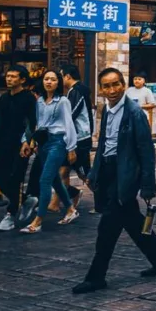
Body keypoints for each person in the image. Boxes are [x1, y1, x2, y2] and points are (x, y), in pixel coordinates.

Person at [72, 68, 156, 294]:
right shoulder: (107, 111)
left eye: (116, 85)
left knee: (107, 227)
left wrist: (148, 185)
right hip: (108, 172)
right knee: (133, 222)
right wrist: (93, 173)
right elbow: (103, 146)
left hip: (125, 175)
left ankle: (96, 276)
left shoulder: (135, 113)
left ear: (123, 84)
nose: (112, 90)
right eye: (106, 86)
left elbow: (146, 151)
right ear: (101, 89)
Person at [20, 70, 79, 233]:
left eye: (53, 79)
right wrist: (32, 141)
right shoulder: (39, 102)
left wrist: (71, 147)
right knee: (54, 180)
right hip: (44, 143)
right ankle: (70, 209)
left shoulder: (63, 101)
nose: (49, 82)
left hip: (58, 143)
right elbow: (37, 124)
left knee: (44, 181)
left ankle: (38, 221)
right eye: (46, 79)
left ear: (58, 83)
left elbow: (69, 124)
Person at [0, 65, 37, 232]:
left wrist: (28, 142)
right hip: (4, 144)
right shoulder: (4, 98)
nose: (9, 79)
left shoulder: (28, 98)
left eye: (13, 76)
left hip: (21, 145)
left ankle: (10, 214)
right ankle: (26, 200)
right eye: (8, 76)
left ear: (22, 80)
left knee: (16, 177)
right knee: (0, 177)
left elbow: (32, 122)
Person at [62, 64, 94, 213]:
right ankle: (72, 194)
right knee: (63, 172)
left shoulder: (76, 91)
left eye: (62, 76)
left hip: (80, 137)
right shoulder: (77, 90)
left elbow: (71, 113)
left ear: (68, 76)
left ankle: (104, 199)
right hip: (75, 137)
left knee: (84, 172)